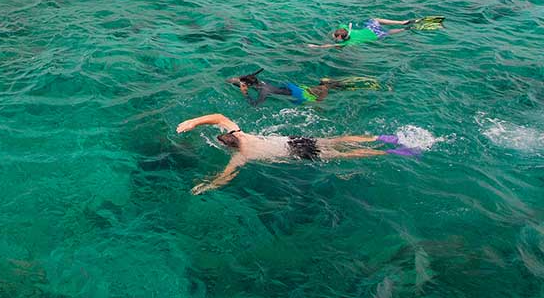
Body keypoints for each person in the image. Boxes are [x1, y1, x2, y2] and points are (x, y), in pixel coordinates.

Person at [174, 113, 414, 193]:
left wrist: (208, 185)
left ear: (228, 145)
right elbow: (219, 117)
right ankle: (380, 139)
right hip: (296, 141)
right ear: (235, 136)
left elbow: (227, 177)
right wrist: (193, 122)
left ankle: (390, 153)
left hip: (298, 154)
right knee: (337, 140)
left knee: (343, 155)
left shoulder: (241, 156)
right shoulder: (242, 133)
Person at [228, 68, 379, 106]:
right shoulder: (261, 83)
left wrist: (245, 94)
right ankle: (329, 84)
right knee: (323, 87)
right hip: (298, 88)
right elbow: (234, 80)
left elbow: (255, 105)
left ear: (247, 85)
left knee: (320, 99)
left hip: (302, 95)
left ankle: (331, 86)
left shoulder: (264, 90)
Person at [308, 16, 443, 49]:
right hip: (370, 29)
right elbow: (342, 25)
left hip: (376, 35)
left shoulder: (349, 43)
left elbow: (329, 46)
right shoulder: (347, 30)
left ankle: (406, 28)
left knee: (389, 33)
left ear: (340, 37)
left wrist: (316, 46)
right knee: (375, 19)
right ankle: (402, 22)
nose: (333, 36)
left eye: (335, 36)